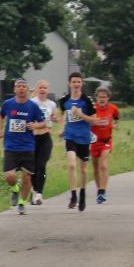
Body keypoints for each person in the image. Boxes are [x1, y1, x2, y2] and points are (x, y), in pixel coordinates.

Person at [0, 78, 47, 215]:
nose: (21, 88)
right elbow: (0, 116)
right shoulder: (8, 104)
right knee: (10, 176)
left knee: (26, 177)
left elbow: (43, 122)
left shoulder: (32, 106)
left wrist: (36, 125)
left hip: (27, 146)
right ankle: (15, 189)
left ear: (27, 89)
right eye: (19, 86)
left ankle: (22, 203)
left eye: (24, 86)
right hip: (10, 146)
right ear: (15, 89)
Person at [58, 72, 98, 212]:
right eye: (74, 82)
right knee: (71, 165)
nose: (76, 84)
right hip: (70, 136)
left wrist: (81, 115)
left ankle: (82, 193)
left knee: (83, 169)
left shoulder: (87, 100)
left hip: (84, 137)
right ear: (69, 84)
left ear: (82, 84)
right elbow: (63, 115)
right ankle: (73, 195)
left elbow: (94, 120)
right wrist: (61, 129)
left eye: (78, 82)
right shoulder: (64, 100)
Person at [88, 86, 121, 204]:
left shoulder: (113, 108)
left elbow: (117, 117)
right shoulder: (92, 109)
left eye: (104, 97)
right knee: (96, 169)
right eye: (100, 97)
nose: (102, 99)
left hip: (106, 140)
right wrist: (92, 122)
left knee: (104, 165)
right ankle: (99, 192)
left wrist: (115, 125)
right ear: (96, 98)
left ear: (108, 98)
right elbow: (86, 120)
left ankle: (102, 191)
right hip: (94, 141)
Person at [29, 80, 58, 204]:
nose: (42, 90)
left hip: (45, 137)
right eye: (40, 87)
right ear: (36, 89)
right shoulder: (32, 102)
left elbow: (53, 117)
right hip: (33, 138)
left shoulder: (52, 104)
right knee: (33, 167)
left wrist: (54, 119)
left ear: (48, 90)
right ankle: (34, 190)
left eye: (45, 88)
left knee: (41, 164)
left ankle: (39, 193)